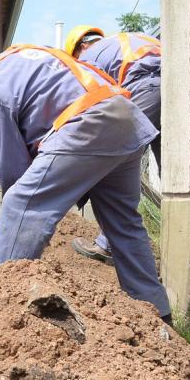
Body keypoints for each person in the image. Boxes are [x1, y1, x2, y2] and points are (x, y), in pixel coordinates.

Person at [0, 39, 172, 323]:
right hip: (123, 116)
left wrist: (21, 231)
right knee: (123, 224)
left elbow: (14, 175)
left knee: (18, 204)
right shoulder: (14, 59)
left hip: (89, 122)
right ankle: (160, 317)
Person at [64, 26, 162, 265]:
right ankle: (175, 253)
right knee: (174, 180)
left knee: (115, 164)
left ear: (81, 47)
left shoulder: (89, 57)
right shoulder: (131, 40)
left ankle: (107, 245)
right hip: (176, 91)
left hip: (145, 90)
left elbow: (90, 104)